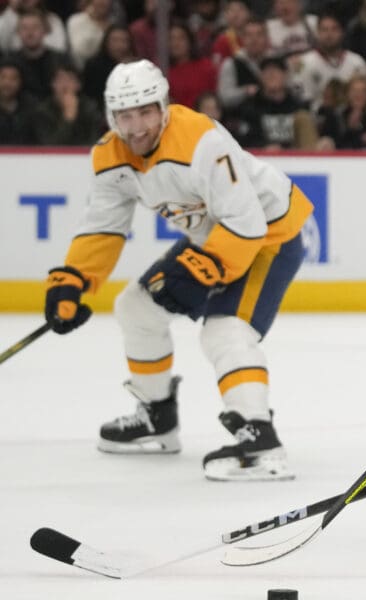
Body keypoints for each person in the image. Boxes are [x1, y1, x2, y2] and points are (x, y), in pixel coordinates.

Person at [43, 59, 314, 481]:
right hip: (211, 240)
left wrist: (201, 271)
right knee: (136, 308)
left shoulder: (202, 141)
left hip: (270, 237)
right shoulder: (108, 157)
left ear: (163, 107)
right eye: (125, 115)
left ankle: (258, 437)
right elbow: (103, 227)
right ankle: (157, 418)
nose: (136, 127)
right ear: (111, 116)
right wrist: (72, 280)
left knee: (224, 330)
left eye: (146, 112)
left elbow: (246, 222)